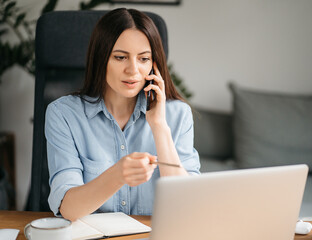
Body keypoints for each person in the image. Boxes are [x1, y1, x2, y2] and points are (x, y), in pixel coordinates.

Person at [45, 8, 200, 222]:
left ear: (154, 65)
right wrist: (118, 175)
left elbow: (189, 208)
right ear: (101, 59)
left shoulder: (178, 114)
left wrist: (160, 127)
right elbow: (68, 209)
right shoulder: (63, 115)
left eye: (144, 59)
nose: (133, 70)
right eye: (120, 57)